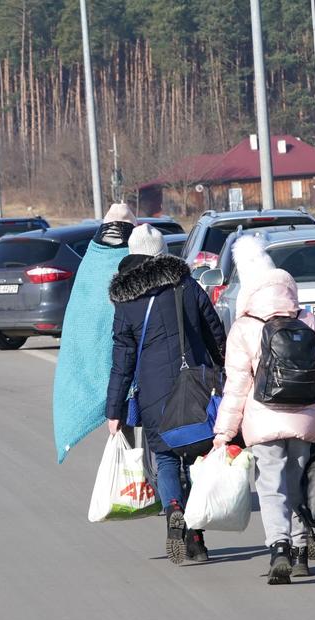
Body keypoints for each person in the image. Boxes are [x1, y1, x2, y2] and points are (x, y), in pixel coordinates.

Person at [211, 236, 315, 584]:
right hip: (306, 418)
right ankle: (301, 552)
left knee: (271, 486)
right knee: (297, 484)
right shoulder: (309, 320)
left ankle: (279, 548)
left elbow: (236, 386)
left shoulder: (245, 327)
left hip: (262, 419)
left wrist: (223, 433)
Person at [104, 224, 227, 566]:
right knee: (200, 458)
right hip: (197, 387)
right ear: (162, 252)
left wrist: (114, 410)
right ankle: (198, 537)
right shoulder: (186, 285)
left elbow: (122, 360)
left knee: (168, 458)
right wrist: (226, 371)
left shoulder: (126, 300)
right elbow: (214, 331)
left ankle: (174, 507)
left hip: (153, 393)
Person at [53, 204, 138, 462]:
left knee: (121, 426)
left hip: (111, 363)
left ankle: (137, 481)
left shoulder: (92, 258)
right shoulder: (134, 256)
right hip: (137, 356)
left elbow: (82, 314)